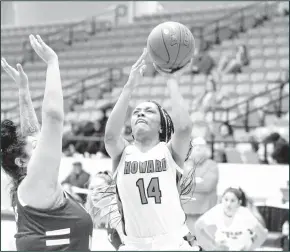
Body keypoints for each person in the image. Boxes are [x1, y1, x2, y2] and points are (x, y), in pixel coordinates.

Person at [1, 35, 93, 251]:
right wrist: (52, 63)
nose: (41, 141)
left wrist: (23, 92)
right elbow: (52, 117)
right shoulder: (34, 184)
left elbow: (31, 132)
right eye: (36, 145)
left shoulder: (26, 186)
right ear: (21, 161)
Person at [104, 48, 194, 250]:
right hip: (135, 244)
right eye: (136, 112)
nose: (141, 114)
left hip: (172, 241)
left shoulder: (169, 151)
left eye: (149, 111)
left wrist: (171, 80)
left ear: (161, 125)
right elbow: (110, 136)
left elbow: (185, 128)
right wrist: (129, 87)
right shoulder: (122, 153)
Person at [195, 187, 268, 251]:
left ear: (239, 202)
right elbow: (198, 226)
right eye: (226, 200)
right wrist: (213, 244)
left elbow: (263, 234)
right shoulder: (217, 210)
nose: (228, 204)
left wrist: (250, 248)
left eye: (232, 201)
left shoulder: (245, 214)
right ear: (222, 200)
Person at [181, 137, 219, 236]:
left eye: (201, 147)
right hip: (187, 211)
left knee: (205, 240)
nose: (198, 149)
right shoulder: (184, 165)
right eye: (195, 147)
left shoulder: (212, 165)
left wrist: (190, 182)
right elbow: (180, 184)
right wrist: (198, 181)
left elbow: (207, 186)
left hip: (205, 211)